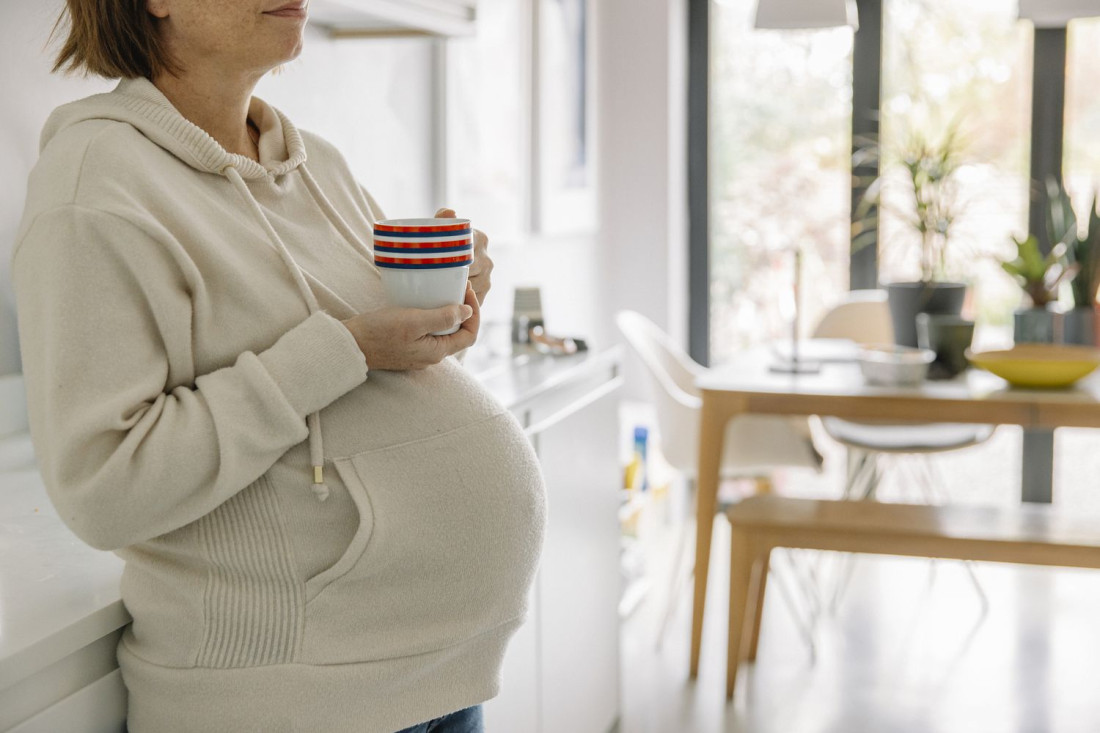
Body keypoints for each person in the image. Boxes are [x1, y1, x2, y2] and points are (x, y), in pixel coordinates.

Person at [11, 1, 546, 731]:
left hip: (440, 680)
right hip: (294, 700)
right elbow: (106, 485)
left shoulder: (315, 162)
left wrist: (445, 306)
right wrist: (347, 348)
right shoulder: (94, 188)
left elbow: (373, 367)